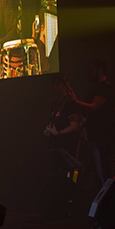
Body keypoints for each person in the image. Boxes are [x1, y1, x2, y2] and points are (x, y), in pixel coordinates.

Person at [42, 72, 81, 219]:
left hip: (67, 146)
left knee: (68, 177)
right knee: (56, 176)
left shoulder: (70, 104)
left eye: (57, 85)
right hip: (55, 146)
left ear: (64, 86)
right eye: (53, 85)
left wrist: (58, 133)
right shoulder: (55, 104)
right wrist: (49, 129)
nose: (54, 87)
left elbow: (74, 125)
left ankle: (70, 208)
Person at [74, 58, 115, 184]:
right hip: (95, 138)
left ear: (100, 70)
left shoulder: (105, 88)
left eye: (91, 69)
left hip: (103, 138)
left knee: (104, 172)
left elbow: (92, 107)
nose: (88, 72)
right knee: (98, 171)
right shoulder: (96, 89)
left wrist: (74, 101)